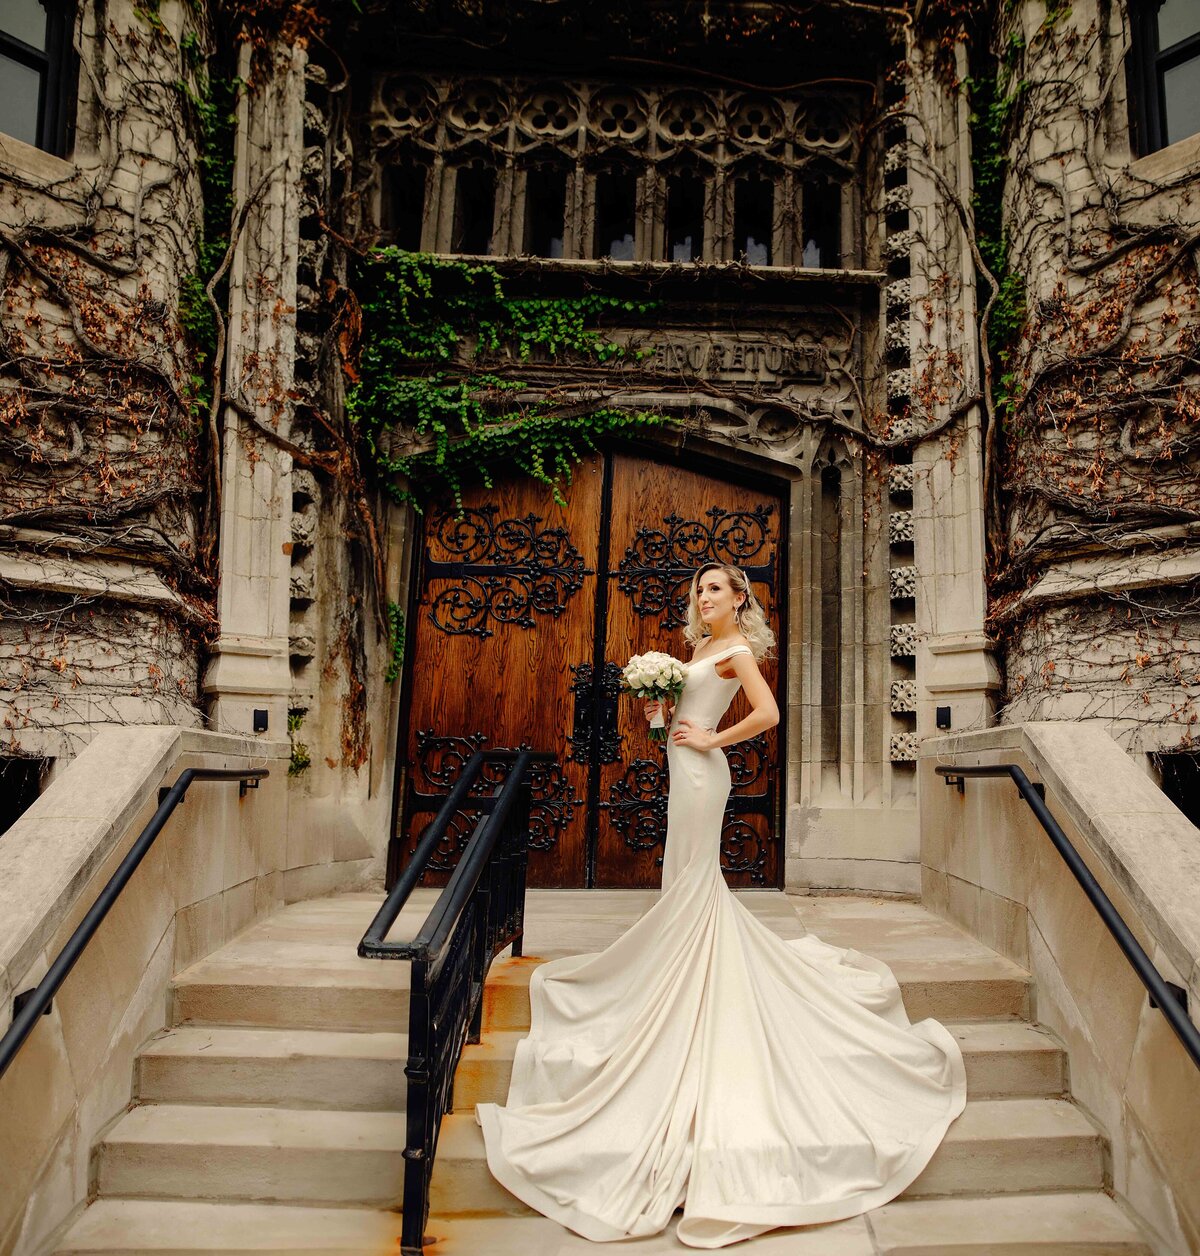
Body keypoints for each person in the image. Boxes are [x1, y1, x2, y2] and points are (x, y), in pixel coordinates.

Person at [474, 561, 966, 1249]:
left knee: (694, 881)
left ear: (740, 600)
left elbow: (766, 714)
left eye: (716, 590)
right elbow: (682, 720)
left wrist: (711, 738)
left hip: (706, 776)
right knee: (682, 879)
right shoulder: (699, 650)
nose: (704, 598)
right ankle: (682, 974)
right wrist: (661, 718)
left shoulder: (734, 651)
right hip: (683, 770)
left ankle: (693, 984)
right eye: (699, 590)